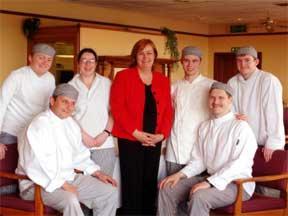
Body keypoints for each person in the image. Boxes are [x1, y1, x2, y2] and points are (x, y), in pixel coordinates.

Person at [16, 84, 118, 216]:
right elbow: (35, 164)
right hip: (38, 184)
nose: (69, 107)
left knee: (108, 192)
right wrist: (62, 184)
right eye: (64, 101)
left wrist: (97, 173)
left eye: (72, 103)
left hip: (68, 178)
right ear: (52, 101)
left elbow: (79, 155)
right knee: (70, 199)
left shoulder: (71, 124)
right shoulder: (38, 125)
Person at [158, 82, 257, 216]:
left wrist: (210, 183)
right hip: (210, 178)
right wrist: (179, 175)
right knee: (167, 188)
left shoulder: (241, 127)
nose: (216, 102)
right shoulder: (205, 127)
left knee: (200, 196)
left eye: (221, 98)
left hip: (237, 184)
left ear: (230, 100)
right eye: (212, 97)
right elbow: (199, 161)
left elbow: (239, 164)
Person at [110, 39, 173, 215]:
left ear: (155, 56)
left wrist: (162, 135)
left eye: (149, 53)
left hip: (155, 138)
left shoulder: (162, 80)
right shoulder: (123, 76)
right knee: (132, 183)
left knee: (149, 181)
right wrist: (136, 133)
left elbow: (168, 110)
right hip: (130, 138)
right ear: (135, 56)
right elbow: (117, 108)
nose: (145, 57)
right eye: (141, 53)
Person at [0, 43, 56, 195]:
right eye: (41, 58)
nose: (45, 62)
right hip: (10, 132)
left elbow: (47, 109)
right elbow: (1, 103)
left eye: (49, 60)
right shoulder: (17, 76)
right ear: (30, 58)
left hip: (33, 134)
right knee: (6, 180)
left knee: (28, 174)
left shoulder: (50, 79)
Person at [227, 46, 285, 162]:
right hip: (241, 142)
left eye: (247, 60)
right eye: (239, 60)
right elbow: (229, 110)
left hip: (265, 144)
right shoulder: (232, 82)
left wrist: (273, 142)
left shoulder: (268, 80)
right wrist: (234, 116)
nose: (243, 64)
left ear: (256, 62)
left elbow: (274, 113)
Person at [165, 46, 214, 176]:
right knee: (172, 191)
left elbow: (224, 111)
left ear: (200, 62)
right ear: (181, 62)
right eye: (186, 60)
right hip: (175, 150)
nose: (190, 65)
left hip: (200, 152)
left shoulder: (211, 86)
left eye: (194, 61)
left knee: (195, 193)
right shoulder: (174, 87)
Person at [69, 48, 115, 176]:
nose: (87, 64)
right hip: (79, 144)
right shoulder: (70, 86)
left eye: (91, 61)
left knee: (105, 185)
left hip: (104, 144)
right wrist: (84, 136)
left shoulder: (107, 84)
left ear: (96, 64)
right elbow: (68, 116)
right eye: (84, 61)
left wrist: (105, 133)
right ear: (78, 63)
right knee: (81, 187)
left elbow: (113, 111)